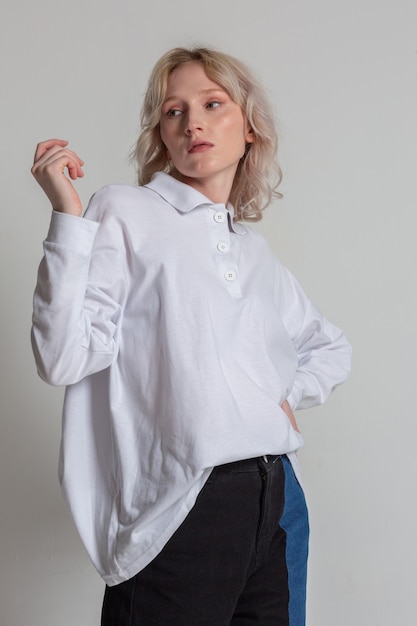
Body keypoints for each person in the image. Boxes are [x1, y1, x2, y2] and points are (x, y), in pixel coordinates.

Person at [31, 46, 351, 626]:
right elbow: (62, 358)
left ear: (249, 127)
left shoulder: (254, 253)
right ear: (161, 133)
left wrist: (284, 392)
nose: (193, 122)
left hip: (276, 494)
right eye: (174, 111)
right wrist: (67, 217)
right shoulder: (124, 211)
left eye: (212, 103)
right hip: (180, 504)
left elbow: (330, 346)